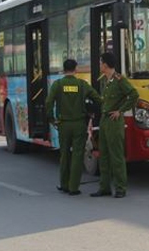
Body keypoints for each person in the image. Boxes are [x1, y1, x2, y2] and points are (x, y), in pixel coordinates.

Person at [45, 59, 102, 196]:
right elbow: (97, 99)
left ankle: (64, 184)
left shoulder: (58, 84)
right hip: (79, 124)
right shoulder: (82, 85)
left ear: (64, 69)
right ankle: (73, 187)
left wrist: (52, 119)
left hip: (63, 124)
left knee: (64, 154)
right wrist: (91, 111)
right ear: (75, 69)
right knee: (77, 155)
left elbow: (49, 102)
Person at [91, 52, 139, 199]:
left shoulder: (119, 80)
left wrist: (121, 111)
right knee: (103, 156)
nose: (99, 65)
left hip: (114, 121)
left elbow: (134, 94)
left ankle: (120, 188)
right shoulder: (106, 80)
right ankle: (104, 187)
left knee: (116, 156)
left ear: (105, 64)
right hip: (104, 121)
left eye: (100, 62)